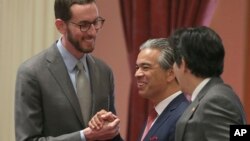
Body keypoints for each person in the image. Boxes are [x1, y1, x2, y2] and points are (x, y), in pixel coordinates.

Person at [15, 0, 123, 141]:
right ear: (61, 26)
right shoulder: (31, 73)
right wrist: (84, 136)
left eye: (96, 22)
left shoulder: (104, 71)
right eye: (83, 25)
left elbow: (110, 135)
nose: (92, 32)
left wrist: (111, 127)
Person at [169, 26, 247, 141]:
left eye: (174, 62)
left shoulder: (216, 101)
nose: (173, 69)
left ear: (184, 64)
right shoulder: (214, 96)